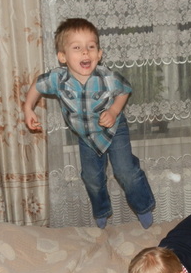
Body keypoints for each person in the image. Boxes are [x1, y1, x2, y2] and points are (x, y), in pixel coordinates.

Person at [24, 18, 155, 229]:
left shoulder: (107, 77)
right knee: (92, 177)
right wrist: (28, 108)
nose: (85, 52)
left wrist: (113, 111)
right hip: (86, 136)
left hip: (114, 129)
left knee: (125, 171)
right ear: (62, 57)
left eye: (91, 47)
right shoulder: (57, 79)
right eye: (77, 48)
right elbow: (37, 85)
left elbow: (125, 90)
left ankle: (143, 206)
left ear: (99, 54)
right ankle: (101, 210)